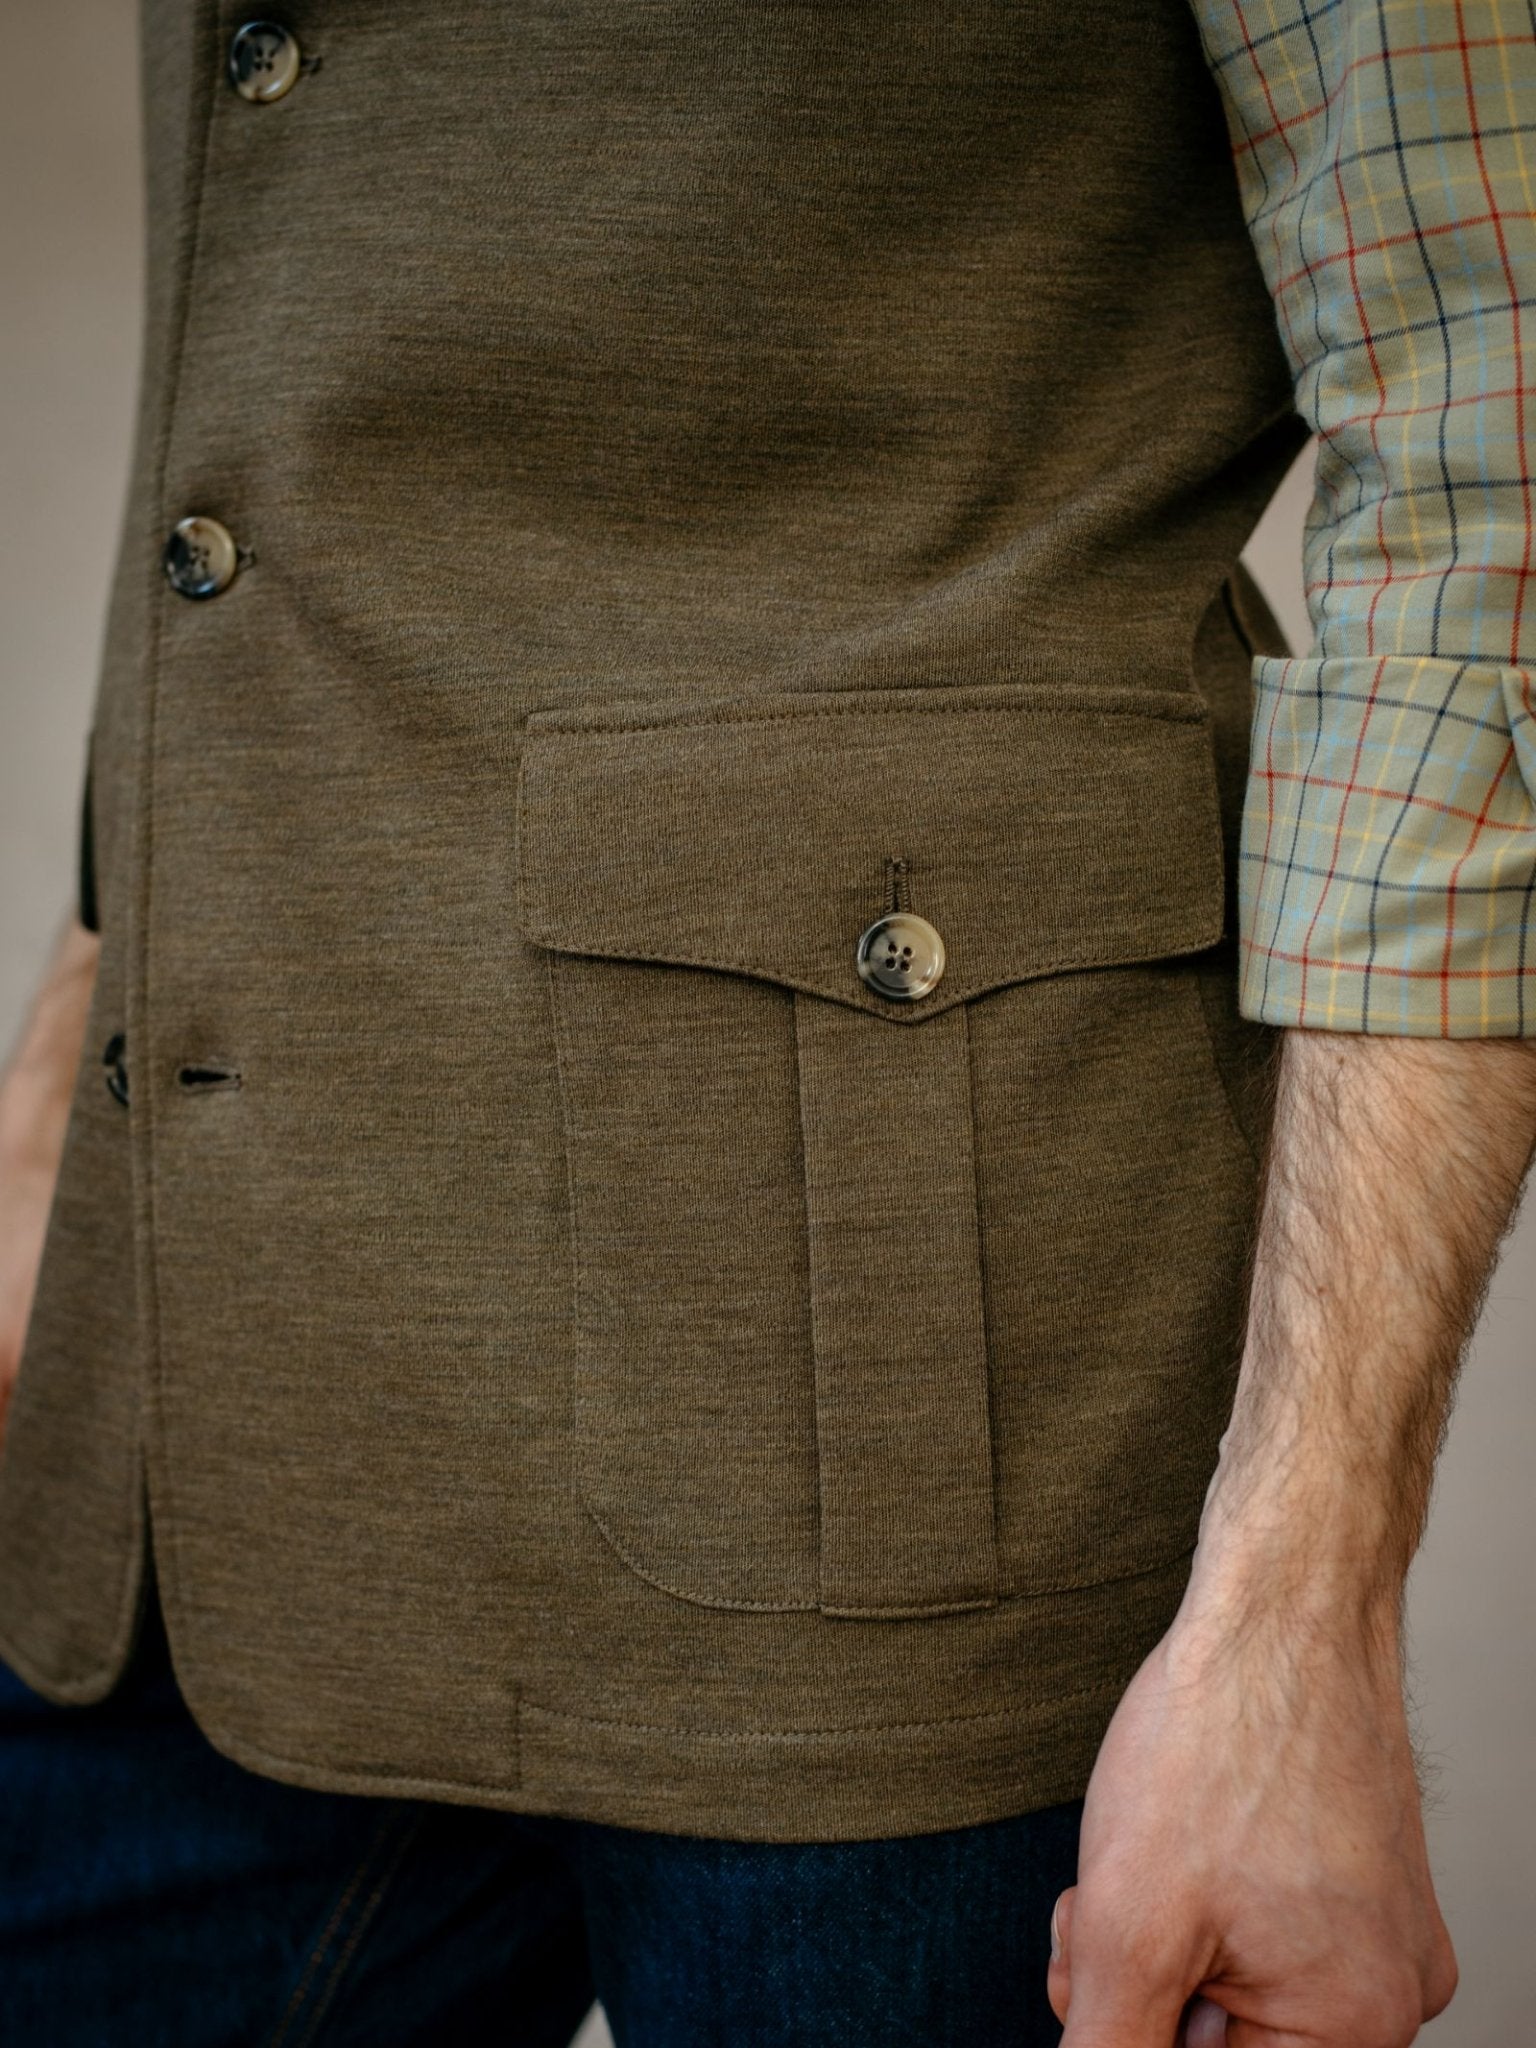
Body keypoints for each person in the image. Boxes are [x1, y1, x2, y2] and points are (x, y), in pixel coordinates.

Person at [1, 2, 1533, 2042]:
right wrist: (58, 1082)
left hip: (892, 1471)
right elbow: (275, 351)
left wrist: (1302, 1609)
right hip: (199, 1436)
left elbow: (1490, 439)